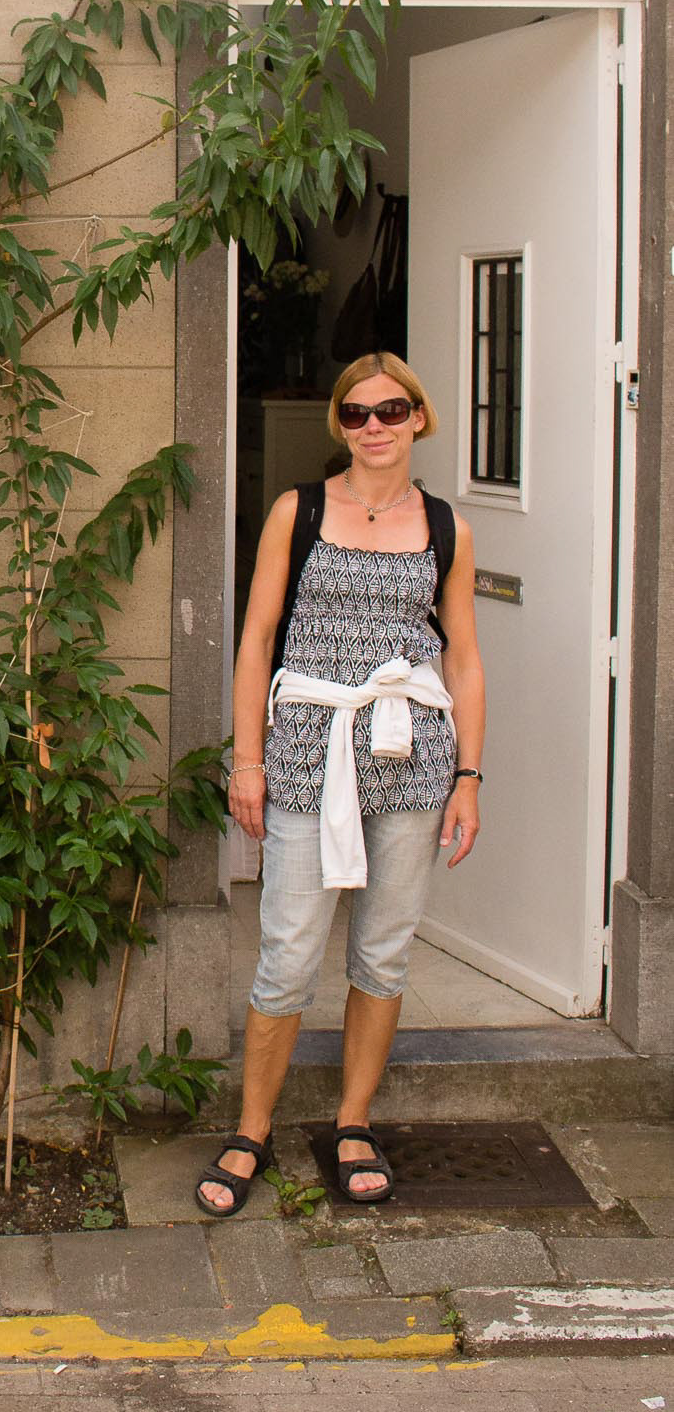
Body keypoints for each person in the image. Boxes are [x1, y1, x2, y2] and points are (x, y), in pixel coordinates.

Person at [195, 352, 486, 1214]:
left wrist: (468, 776)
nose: (373, 427)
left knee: (382, 950)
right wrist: (247, 761)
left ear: (418, 417)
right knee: (287, 950)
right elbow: (256, 640)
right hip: (306, 748)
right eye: (355, 414)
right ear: (339, 425)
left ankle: (353, 1122)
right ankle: (251, 1129)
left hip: (410, 753)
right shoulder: (301, 510)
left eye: (390, 411)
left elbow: (463, 659)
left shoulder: (446, 526)